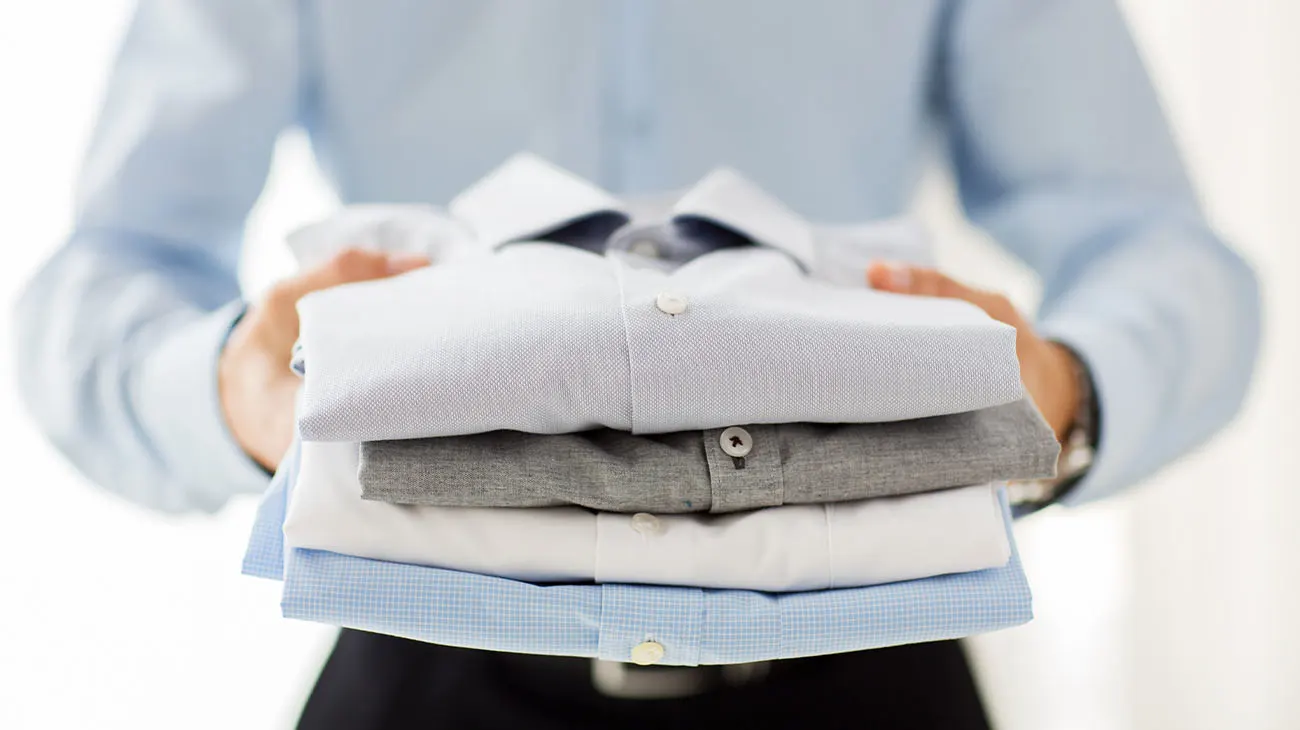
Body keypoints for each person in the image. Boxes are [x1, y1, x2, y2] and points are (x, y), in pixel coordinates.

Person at [13, 1, 1259, 728]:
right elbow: (105, 270)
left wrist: (1063, 398)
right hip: (421, 668)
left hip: (864, 674)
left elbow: (1163, 250)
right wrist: (227, 391)